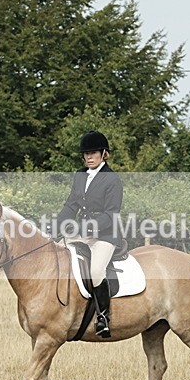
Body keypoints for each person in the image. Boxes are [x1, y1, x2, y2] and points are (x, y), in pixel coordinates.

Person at [54, 130, 123, 338]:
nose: (89, 157)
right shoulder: (80, 175)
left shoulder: (112, 180)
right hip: (82, 233)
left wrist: (84, 228)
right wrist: (54, 226)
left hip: (104, 236)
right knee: (56, 255)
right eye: (86, 154)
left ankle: (103, 317)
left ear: (104, 154)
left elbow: (111, 215)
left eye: (93, 153)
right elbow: (71, 205)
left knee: (95, 271)